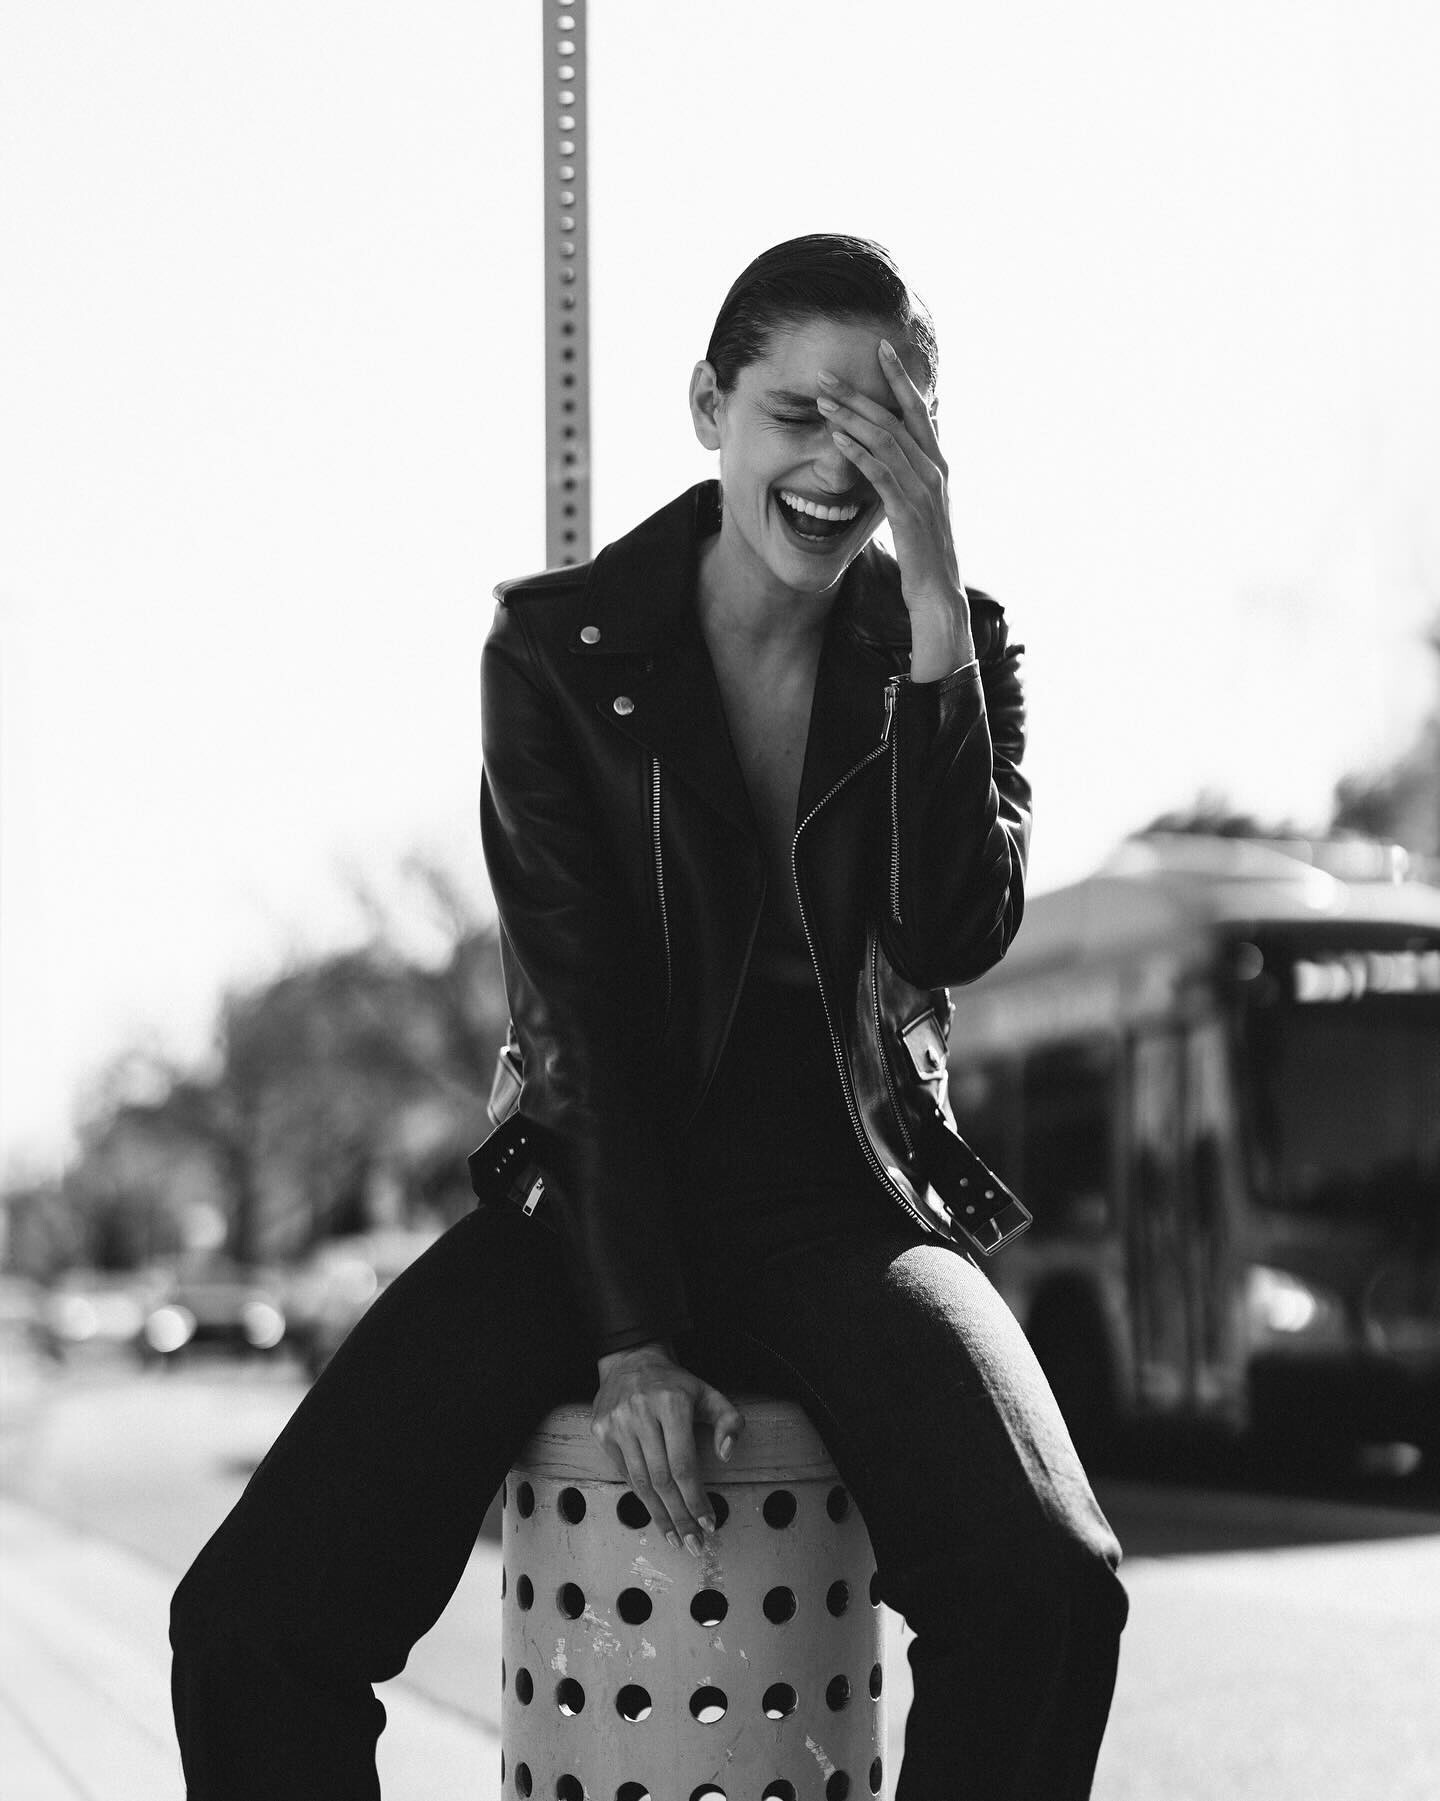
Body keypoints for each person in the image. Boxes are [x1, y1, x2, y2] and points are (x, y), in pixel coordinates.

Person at [170, 233, 1127, 1800]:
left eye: (886, 425)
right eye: (798, 414)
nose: (839, 466)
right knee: (249, 1620)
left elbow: (956, 925)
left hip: (842, 1188)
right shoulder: (557, 649)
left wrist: (938, 605)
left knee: (1050, 1588)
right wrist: (632, 1338)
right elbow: (577, 1015)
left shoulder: (952, 637)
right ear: (708, 407)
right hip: (596, 1178)